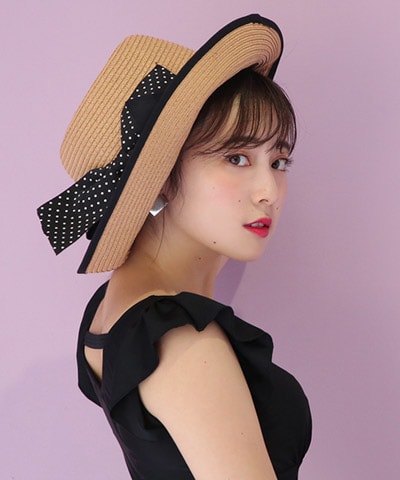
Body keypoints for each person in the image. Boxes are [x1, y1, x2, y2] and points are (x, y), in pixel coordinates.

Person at [38, 14, 311, 480]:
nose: (269, 190)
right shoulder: (182, 341)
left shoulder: (116, 305)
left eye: (279, 160)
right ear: (162, 178)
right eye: (237, 158)